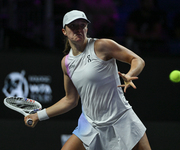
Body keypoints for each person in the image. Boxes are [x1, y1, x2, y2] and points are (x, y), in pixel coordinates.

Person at [24, 10, 151, 150]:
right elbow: (70, 100)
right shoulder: (66, 63)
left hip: (121, 120)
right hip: (91, 125)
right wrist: (38, 115)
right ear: (64, 31)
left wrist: (130, 74)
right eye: (73, 26)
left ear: (87, 28)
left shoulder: (102, 46)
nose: (78, 29)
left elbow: (137, 60)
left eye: (82, 25)